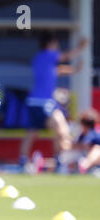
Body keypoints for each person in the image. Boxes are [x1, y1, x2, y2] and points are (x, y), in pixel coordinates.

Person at [19, 33, 87, 171]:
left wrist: (75, 70)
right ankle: (59, 160)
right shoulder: (49, 55)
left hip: (34, 102)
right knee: (61, 129)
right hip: (44, 103)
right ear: (50, 44)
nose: (57, 48)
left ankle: (23, 160)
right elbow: (65, 57)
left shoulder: (40, 59)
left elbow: (56, 71)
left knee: (33, 133)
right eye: (56, 45)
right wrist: (81, 48)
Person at [75, 109, 100, 173]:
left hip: (94, 159)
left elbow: (86, 145)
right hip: (84, 157)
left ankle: (84, 166)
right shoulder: (81, 135)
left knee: (97, 149)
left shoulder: (92, 133)